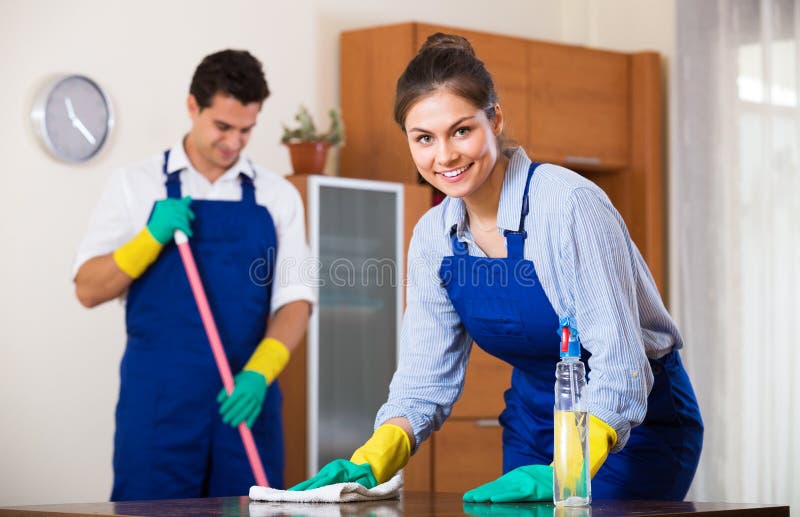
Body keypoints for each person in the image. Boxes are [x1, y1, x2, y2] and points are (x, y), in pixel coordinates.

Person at [291, 34, 703, 502]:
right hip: (534, 420)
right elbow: (425, 378)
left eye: (461, 130)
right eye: (424, 138)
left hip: (631, 426)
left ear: (496, 119)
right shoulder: (434, 236)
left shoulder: (568, 205)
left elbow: (621, 362)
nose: (444, 156)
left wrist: (573, 466)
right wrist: (374, 456)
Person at [73, 49, 313, 500]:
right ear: (192, 107)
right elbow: (87, 288)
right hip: (158, 407)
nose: (235, 143)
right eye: (223, 127)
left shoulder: (277, 196)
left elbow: (296, 299)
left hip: (242, 403)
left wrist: (261, 373)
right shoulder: (134, 184)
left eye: (246, 130)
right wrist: (150, 237)